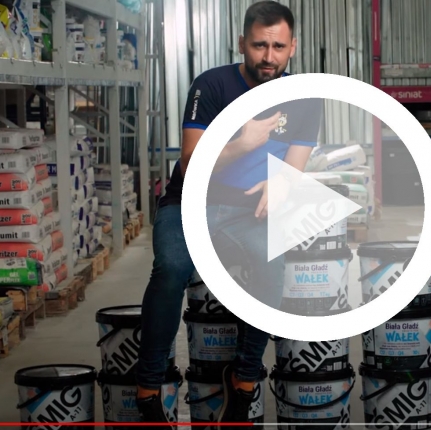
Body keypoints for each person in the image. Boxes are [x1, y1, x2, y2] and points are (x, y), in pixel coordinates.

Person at [135, 2, 323, 426]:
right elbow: (190, 165)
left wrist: (283, 182)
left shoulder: (305, 98)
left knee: (272, 265)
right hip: (189, 203)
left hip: (247, 210)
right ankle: (147, 391)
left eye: (278, 47)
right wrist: (242, 142)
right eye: (259, 45)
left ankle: (243, 381)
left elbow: (294, 166)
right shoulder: (211, 85)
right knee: (170, 269)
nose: (268, 57)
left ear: (292, 47)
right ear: (242, 43)